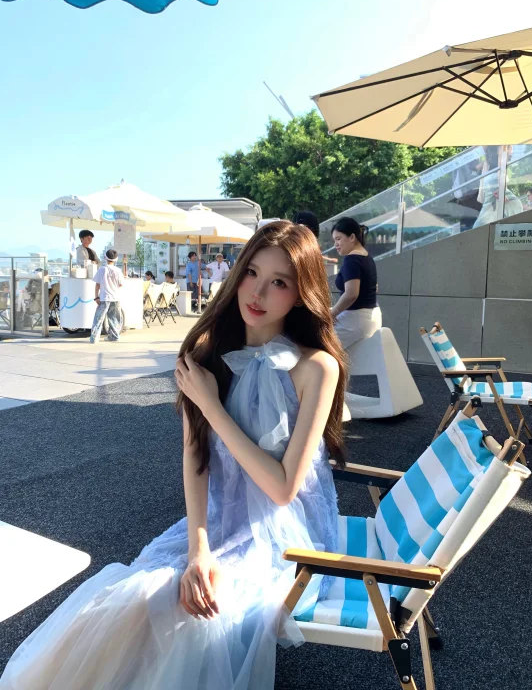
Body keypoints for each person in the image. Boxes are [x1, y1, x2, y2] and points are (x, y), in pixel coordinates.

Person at [0, 221, 346, 690]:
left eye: (279, 282)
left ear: (302, 294)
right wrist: (198, 551)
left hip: (282, 536)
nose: (258, 292)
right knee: (132, 597)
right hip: (217, 520)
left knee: (188, 618)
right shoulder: (206, 354)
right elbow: (196, 457)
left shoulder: (316, 368)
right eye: (251, 273)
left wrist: (211, 406)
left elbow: (283, 490)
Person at [330, 217, 381, 348]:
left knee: (316, 345)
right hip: (371, 316)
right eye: (334, 240)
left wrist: (332, 313)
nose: (335, 244)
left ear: (352, 237)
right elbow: (375, 288)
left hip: (356, 320)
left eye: (338, 239)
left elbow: (351, 294)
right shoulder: (367, 257)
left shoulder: (352, 259)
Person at [473, 146, 523, 228]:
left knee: (489, 213)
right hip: (495, 183)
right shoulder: (501, 148)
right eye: (511, 148)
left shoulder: (491, 153)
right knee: (515, 204)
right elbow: (501, 170)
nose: (512, 151)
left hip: (491, 183)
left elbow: (484, 174)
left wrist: (482, 193)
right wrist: (501, 190)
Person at [89, 249, 124, 344]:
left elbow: (97, 285)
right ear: (116, 259)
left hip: (104, 297)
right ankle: (114, 336)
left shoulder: (101, 269)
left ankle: (94, 338)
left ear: (105, 258)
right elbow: (121, 284)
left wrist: (96, 297)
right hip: (115, 297)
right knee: (114, 318)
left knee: (98, 318)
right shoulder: (118, 271)